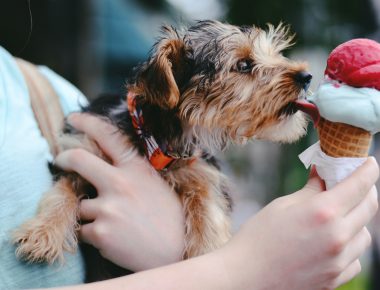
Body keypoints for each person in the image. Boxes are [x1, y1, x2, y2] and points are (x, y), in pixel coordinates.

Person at [0, 44, 378, 290]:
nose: (297, 72)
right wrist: (238, 272)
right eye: (245, 66)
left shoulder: (46, 94)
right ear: (173, 84)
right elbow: (70, 179)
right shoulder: (88, 119)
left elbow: (209, 241)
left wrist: (173, 255)